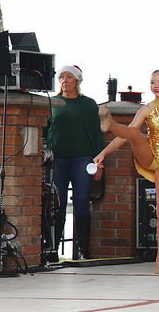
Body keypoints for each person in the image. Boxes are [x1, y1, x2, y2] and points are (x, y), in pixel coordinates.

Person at [95, 69, 159, 274]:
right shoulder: (146, 109)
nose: (156, 85)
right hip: (149, 154)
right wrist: (103, 152)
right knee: (134, 133)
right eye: (153, 82)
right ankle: (110, 123)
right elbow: (125, 136)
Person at [45, 65, 103, 259]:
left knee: (81, 202)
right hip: (58, 160)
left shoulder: (88, 104)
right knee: (56, 203)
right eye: (61, 77)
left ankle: (83, 250)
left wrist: (99, 164)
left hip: (83, 159)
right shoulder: (52, 103)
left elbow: (96, 134)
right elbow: (44, 131)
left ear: (77, 80)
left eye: (69, 77)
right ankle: (52, 248)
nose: (65, 80)